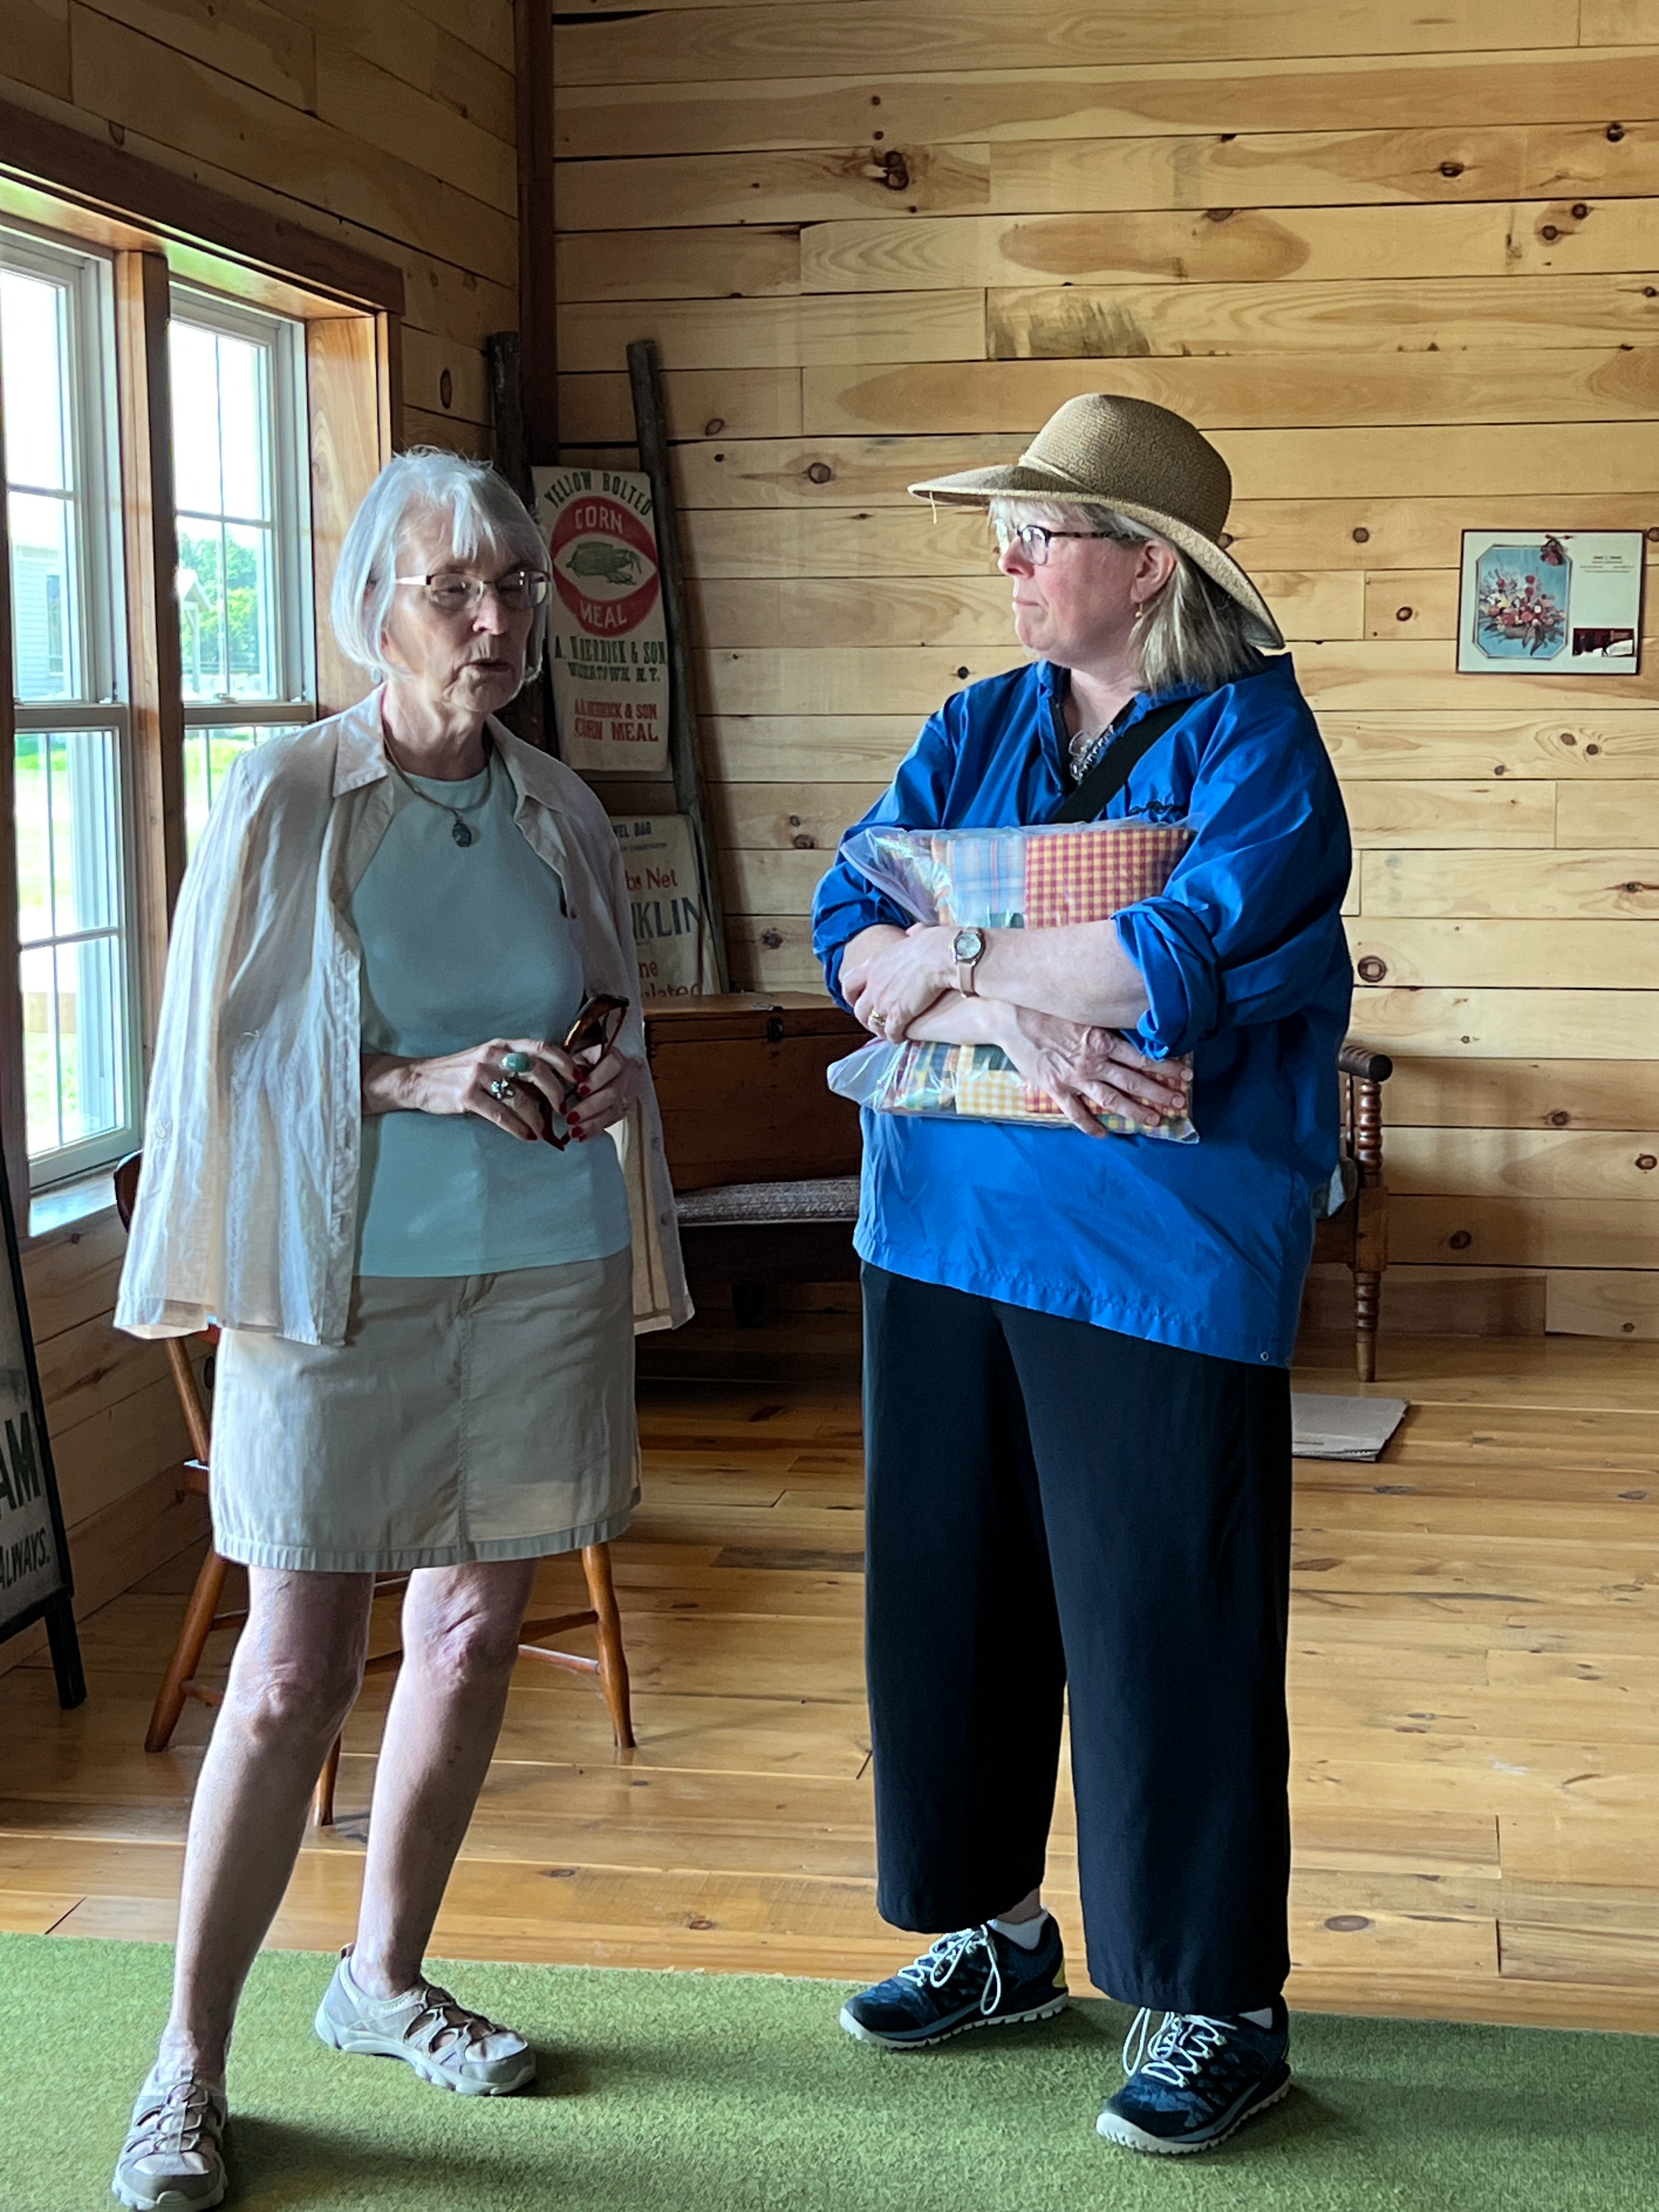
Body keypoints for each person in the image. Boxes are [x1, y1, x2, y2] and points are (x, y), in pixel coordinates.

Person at [110, 449, 687, 2211]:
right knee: (289, 1671)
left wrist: (599, 1079)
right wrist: (421, 1078)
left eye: (517, 583)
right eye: (457, 587)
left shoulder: (557, 810)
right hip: (335, 1280)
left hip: (541, 1271)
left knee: (473, 1640)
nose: (499, 618)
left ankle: (382, 1980)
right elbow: (215, 1077)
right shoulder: (290, 796)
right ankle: (186, 2068)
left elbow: (616, 1020)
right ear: (376, 603)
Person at [812, 394, 1352, 2155]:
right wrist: (992, 985)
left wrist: (951, 957)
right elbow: (844, 922)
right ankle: (995, 1937)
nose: (1011, 554)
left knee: (1162, 1624)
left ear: (1149, 564)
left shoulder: (1254, 744)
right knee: (949, 1608)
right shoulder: (975, 728)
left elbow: (1174, 956)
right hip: (942, 1231)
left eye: (1043, 531)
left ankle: (1213, 1997)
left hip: (1158, 1256)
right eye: (1011, 528)